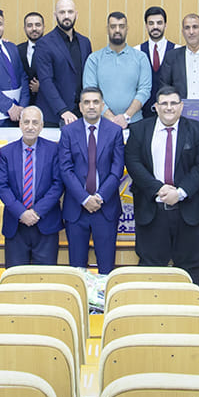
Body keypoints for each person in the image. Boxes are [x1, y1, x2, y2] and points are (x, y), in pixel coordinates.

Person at [125, 86, 199, 281]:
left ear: (181, 106)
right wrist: (159, 188)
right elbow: (133, 163)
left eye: (174, 103)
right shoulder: (139, 130)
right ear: (156, 107)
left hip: (189, 213)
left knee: (191, 270)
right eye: (164, 103)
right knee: (151, 271)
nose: (169, 107)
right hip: (152, 212)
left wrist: (180, 193)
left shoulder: (197, 129)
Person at [60, 87, 126, 274]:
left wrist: (99, 197)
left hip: (105, 208)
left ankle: (104, 295)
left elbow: (117, 170)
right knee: (77, 270)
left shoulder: (114, 131)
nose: (91, 106)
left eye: (95, 102)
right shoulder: (68, 132)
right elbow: (65, 169)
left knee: (106, 269)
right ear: (80, 107)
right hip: (76, 209)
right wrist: (84, 198)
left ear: (102, 106)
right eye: (87, 102)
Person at [0, 107, 64, 266]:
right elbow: (2, 186)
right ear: (20, 124)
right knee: (15, 277)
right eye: (26, 122)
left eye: (35, 122)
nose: (30, 127)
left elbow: (58, 184)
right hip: (16, 225)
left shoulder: (54, 150)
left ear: (41, 126)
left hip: (46, 223)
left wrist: (36, 212)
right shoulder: (6, 152)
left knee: (45, 277)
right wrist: (21, 212)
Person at [81, 11, 150, 129]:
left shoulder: (141, 58)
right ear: (107, 29)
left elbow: (145, 90)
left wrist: (126, 117)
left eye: (121, 26)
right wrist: (112, 118)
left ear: (127, 29)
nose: (117, 30)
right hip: (102, 123)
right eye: (113, 26)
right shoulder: (94, 59)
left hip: (134, 123)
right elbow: (90, 92)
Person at [34, 0, 94, 125]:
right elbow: (46, 81)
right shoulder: (44, 44)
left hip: (80, 114)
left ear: (76, 14)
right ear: (55, 15)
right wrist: (63, 110)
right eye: (62, 12)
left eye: (70, 12)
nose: (66, 16)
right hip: (54, 115)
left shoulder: (85, 42)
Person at [139, 6, 173, 114]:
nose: (155, 27)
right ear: (146, 26)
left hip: (169, 111)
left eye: (159, 23)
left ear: (165, 25)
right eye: (151, 23)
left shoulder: (177, 51)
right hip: (142, 112)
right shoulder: (137, 52)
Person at [19, 11, 46, 103]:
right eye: (29, 25)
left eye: (38, 25)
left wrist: (42, 87)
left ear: (43, 27)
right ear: (24, 28)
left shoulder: (53, 49)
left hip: (46, 102)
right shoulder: (17, 50)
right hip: (23, 103)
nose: (34, 29)